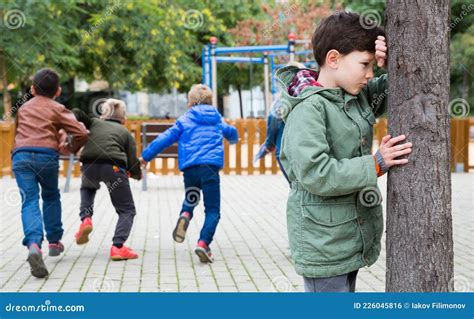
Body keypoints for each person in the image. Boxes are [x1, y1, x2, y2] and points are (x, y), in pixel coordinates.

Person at [276, 11, 413, 292]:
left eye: (372, 66)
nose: (369, 74)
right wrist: (375, 164)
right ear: (334, 59)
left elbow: (394, 90)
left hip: (347, 238)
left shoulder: (353, 95)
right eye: (364, 64)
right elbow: (316, 173)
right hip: (323, 244)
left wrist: (391, 64)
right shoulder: (308, 108)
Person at [140, 84, 238, 263]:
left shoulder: (184, 120)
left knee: (192, 196)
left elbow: (164, 138)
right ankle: (203, 243)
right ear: (210, 101)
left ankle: (185, 214)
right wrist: (233, 139)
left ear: (190, 103)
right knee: (213, 210)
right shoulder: (217, 119)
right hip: (210, 169)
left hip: (190, 169)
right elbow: (232, 133)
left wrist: (146, 156)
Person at [12, 68, 88, 278]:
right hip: (46, 157)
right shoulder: (57, 108)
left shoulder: (23, 108)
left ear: (33, 89)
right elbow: (82, 132)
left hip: (21, 156)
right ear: (58, 91)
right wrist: (69, 148)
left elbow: (18, 132)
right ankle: (54, 242)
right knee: (51, 196)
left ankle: (34, 245)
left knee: (29, 201)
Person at [72, 99, 142, 260]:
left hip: (89, 165)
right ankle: (118, 247)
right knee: (127, 209)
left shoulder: (94, 123)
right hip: (113, 167)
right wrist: (137, 174)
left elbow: (77, 113)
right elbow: (132, 160)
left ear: (103, 114)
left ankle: (86, 219)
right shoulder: (125, 133)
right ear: (124, 118)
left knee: (88, 188)